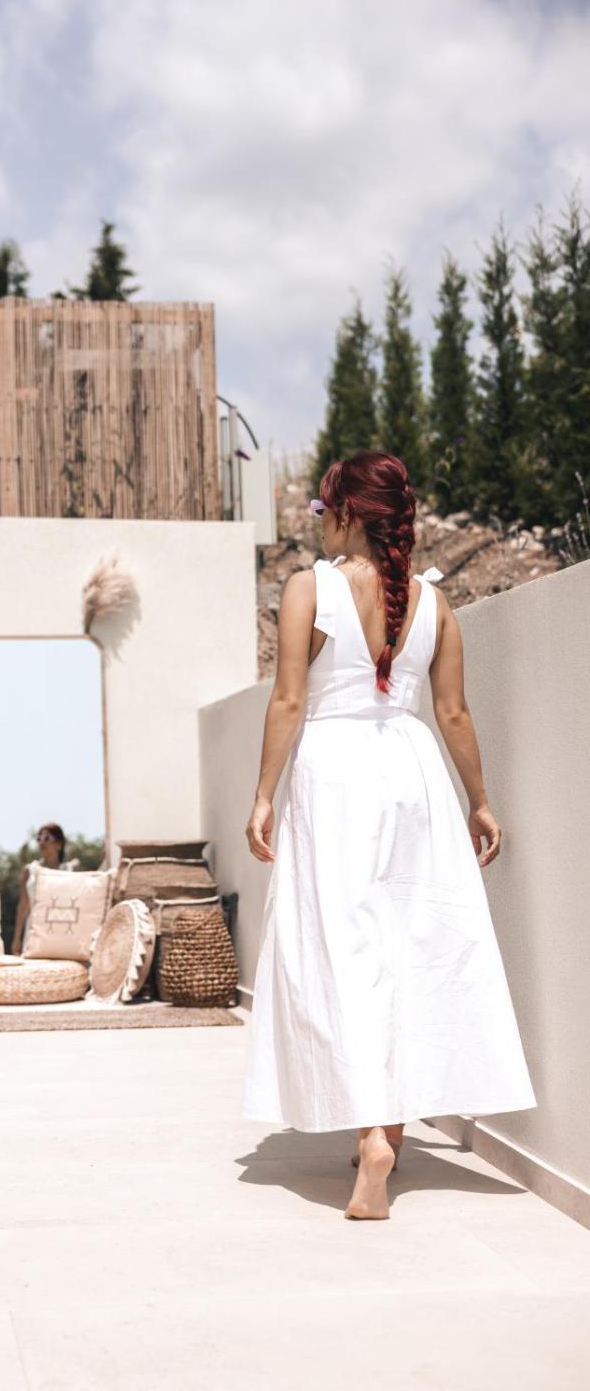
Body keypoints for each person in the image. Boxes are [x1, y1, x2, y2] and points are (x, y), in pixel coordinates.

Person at [243, 450, 536, 1221]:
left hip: (332, 777)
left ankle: (372, 1131)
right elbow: (452, 713)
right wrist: (479, 800)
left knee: (337, 952)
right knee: (407, 948)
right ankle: (392, 1132)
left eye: (321, 509)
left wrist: (263, 795)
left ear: (345, 512)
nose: (318, 521)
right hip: (413, 776)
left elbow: (287, 702)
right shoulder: (433, 603)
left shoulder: (308, 588)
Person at [10, 823, 79, 954]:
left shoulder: (70, 870)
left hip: (63, 930)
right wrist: (16, 939)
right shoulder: (30, 871)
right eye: (39, 838)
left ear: (59, 844)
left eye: (47, 838)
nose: (42, 842)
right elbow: (23, 906)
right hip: (34, 932)